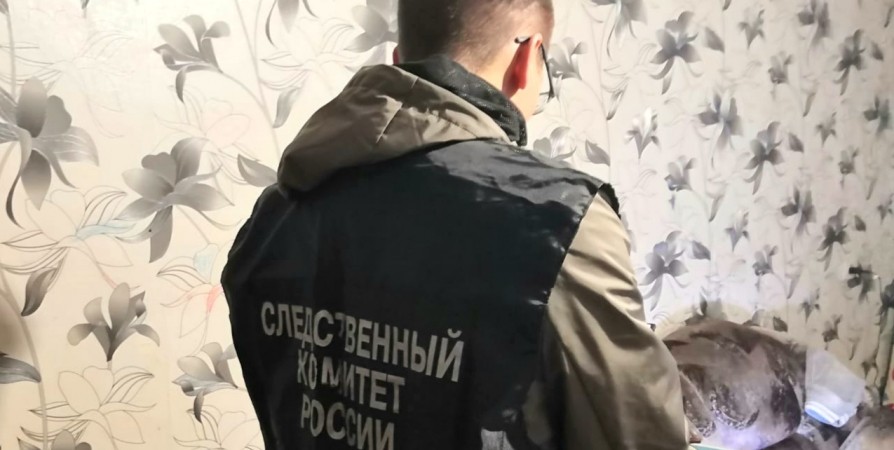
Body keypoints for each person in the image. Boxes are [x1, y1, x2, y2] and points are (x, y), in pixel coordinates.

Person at [221, 0, 689, 448]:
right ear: (527, 59)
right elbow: (638, 434)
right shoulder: (556, 220)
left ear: (401, 60)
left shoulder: (274, 218)